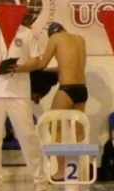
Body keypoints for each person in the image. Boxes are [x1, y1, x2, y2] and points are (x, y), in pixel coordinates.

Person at [0, 1, 47, 191]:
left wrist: (21, 67)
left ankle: (39, 178)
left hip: (19, 93)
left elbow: (36, 60)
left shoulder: (26, 33)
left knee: (28, 136)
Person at [36, 22, 88, 180]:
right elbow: (66, 66)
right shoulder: (80, 39)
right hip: (82, 89)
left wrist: (29, 67)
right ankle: (81, 171)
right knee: (79, 132)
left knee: (54, 127)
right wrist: (48, 70)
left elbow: (42, 63)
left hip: (67, 89)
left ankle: (61, 171)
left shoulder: (55, 38)